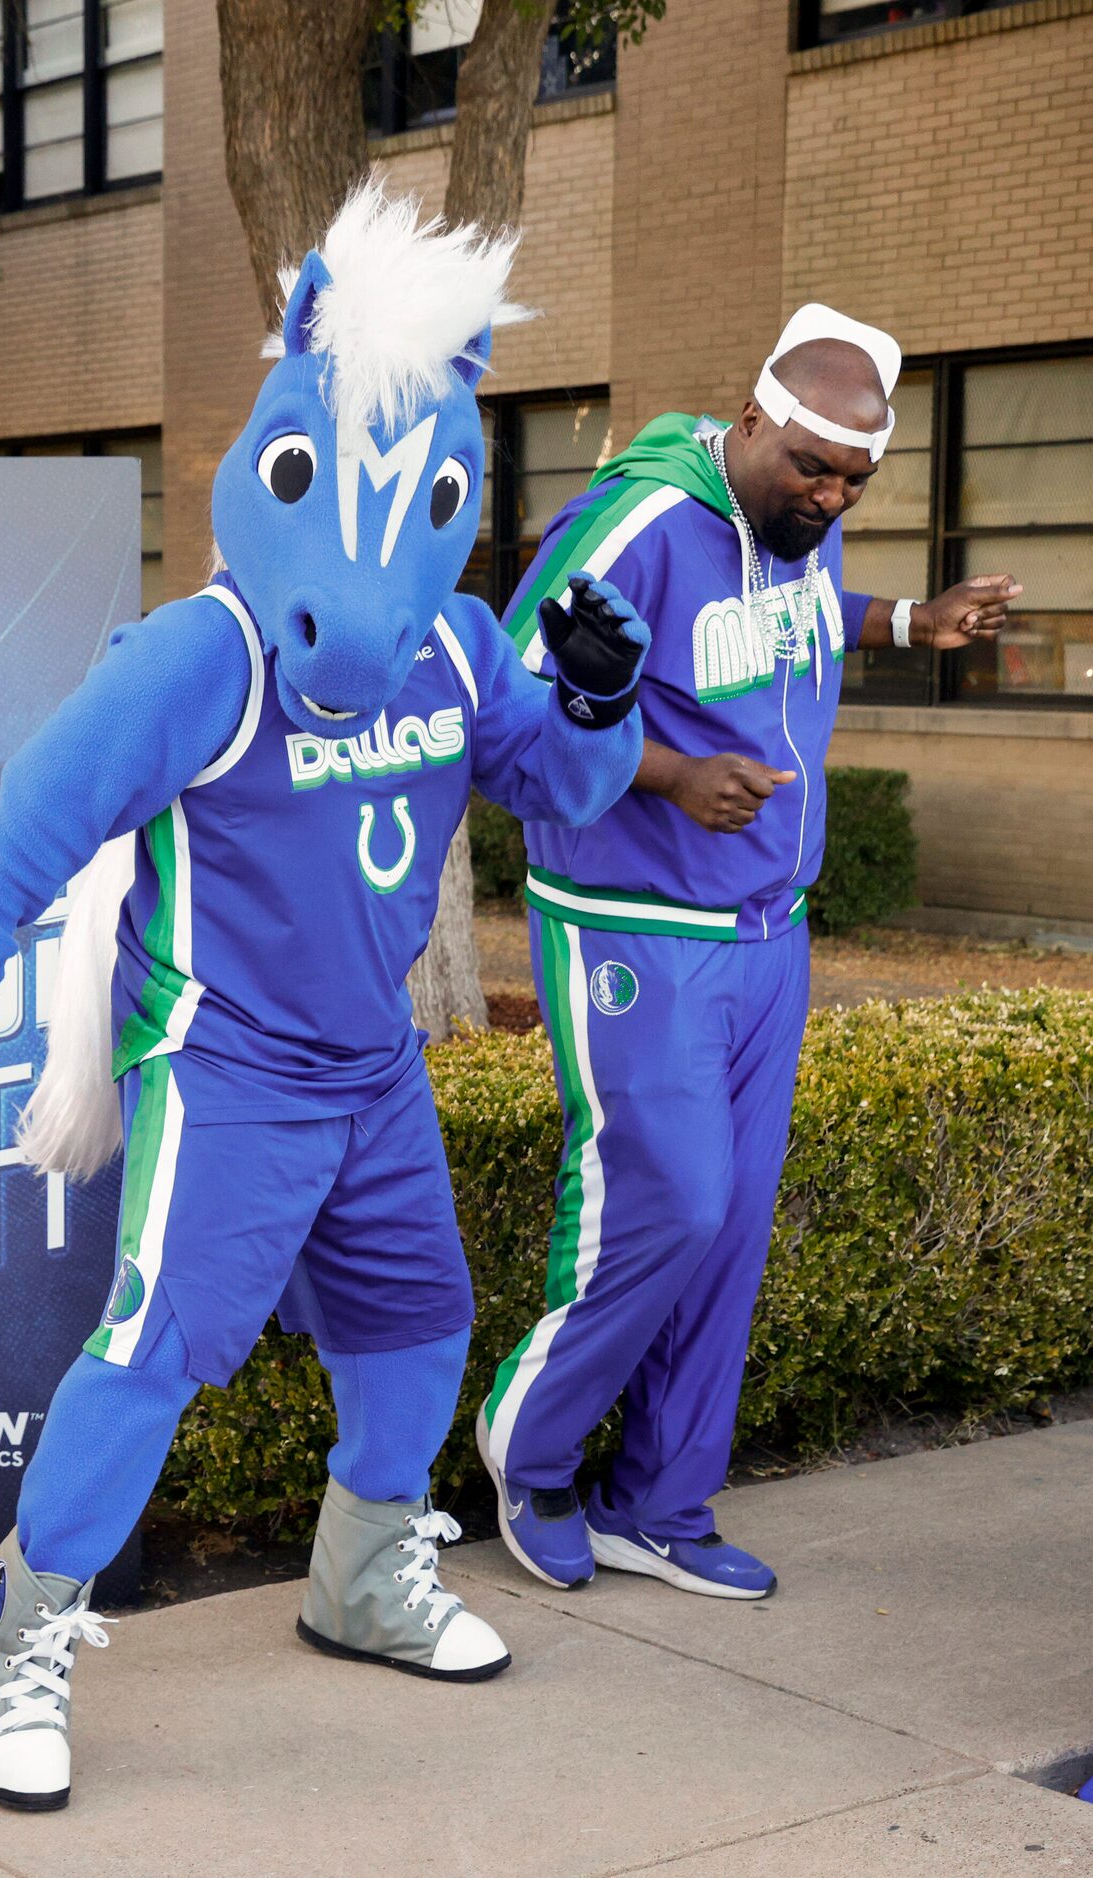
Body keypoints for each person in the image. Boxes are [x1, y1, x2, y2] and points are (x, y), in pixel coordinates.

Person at [0, 182, 653, 1812]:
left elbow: (559, 788)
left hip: (373, 1073)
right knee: (153, 1348)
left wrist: (601, 697)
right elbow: (39, 812)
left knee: (421, 1331)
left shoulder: (455, 647)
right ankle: (14, 1630)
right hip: (224, 1066)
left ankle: (358, 1579)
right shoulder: (200, 658)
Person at [477, 304, 1021, 1600]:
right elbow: (504, 708)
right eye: (813, 468)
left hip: (772, 932)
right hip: (635, 925)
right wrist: (666, 775)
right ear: (753, 417)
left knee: (731, 1233)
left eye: (855, 479)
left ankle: (657, 1499)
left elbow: (813, 607)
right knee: (669, 1198)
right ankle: (532, 1450)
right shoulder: (636, 524)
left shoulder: (797, 530)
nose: (831, 497)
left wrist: (911, 623)